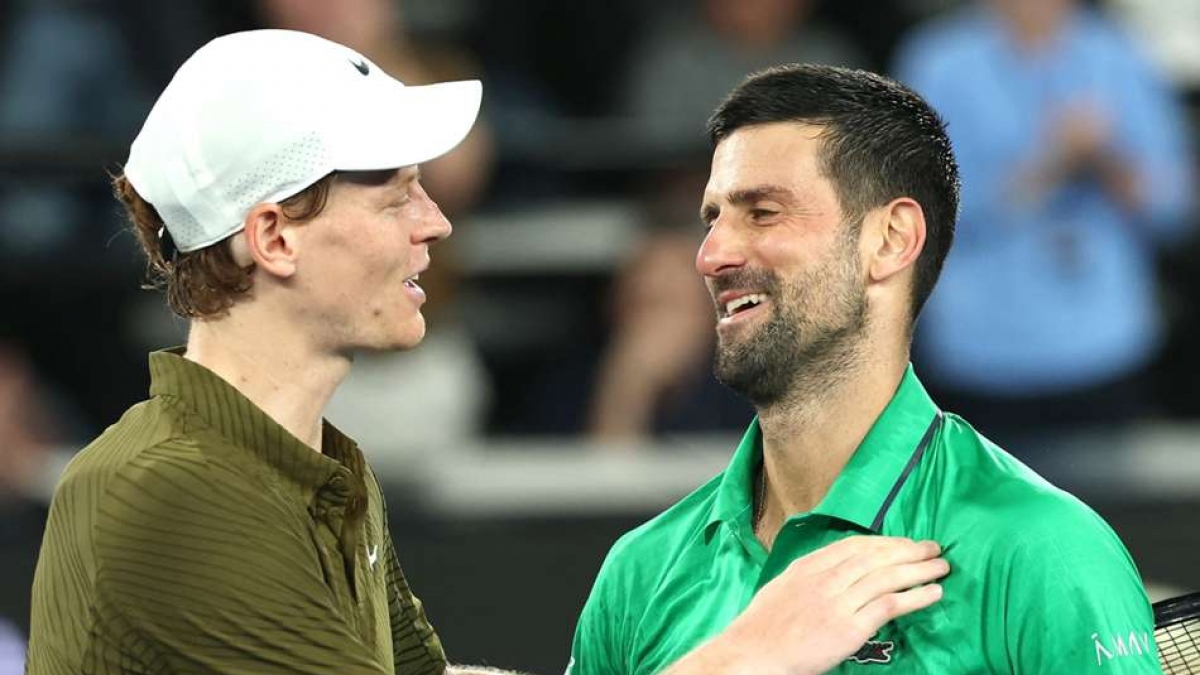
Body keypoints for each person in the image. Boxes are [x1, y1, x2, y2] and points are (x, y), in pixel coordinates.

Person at [26, 30, 949, 675]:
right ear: (273, 238)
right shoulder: (176, 493)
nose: (435, 224)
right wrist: (754, 651)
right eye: (394, 198)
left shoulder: (303, 465)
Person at [568, 64, 1162, 675]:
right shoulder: (639, 572)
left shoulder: (1042, 550)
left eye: (763, 212)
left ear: (890, 239)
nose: (712, 254)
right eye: (712, 217)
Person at [893, 0, 1194, 463]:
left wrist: (1109, 162)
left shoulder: (1120, 56)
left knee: (1107, 522)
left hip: (1103, 347)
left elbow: (1173, 210)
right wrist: (1048, 164)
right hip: (980, 352)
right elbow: (918, 215)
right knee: (980, 526)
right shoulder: (939, 61)